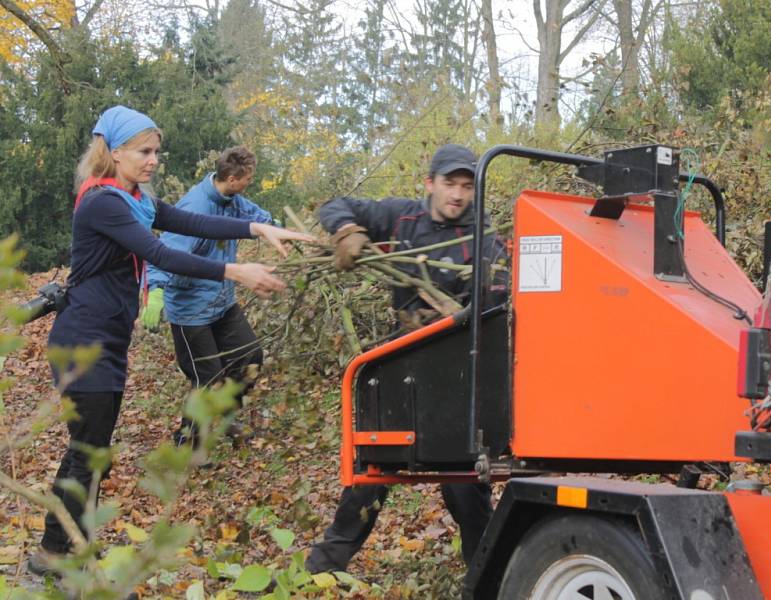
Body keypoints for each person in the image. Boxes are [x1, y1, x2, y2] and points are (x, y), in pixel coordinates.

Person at [28, 105, 313, 576]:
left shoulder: (133, 198)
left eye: (156, 151)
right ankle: (57, 553)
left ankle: (66, 547)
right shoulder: (104, 202)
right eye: (144, 151)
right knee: (87, 453)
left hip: (107, 340)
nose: (153, 159)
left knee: (92, 452)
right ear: (114, 152)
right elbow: (159, 251)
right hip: (83, 343)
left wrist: (255, 227)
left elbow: (191, 223)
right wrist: (234, 270)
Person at [306, 143, 508, 574]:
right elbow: (335, 205)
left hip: (458, 377)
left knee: (467, 492)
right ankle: (317, 575)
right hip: (401, 371)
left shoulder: (484, 240)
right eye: (449, 184)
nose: (457, 195)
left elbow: (499, 307)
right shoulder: (402, 217)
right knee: (368, 481)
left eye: (466, 187)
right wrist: (347, 230)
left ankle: (486, 579)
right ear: (430, 183)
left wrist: (465, 315)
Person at [141, 146, 275, 447]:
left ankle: (227, 416)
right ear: (231, 177)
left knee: (250, 356)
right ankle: (187, 445)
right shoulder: (196, 207)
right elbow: (166, 252)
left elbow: (255, 216)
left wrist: (277, 229)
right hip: (190, 310)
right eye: (248, 179)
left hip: (221, 302)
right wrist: (156, 291)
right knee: (206, 380)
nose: (249, 183)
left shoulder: (231, 199)